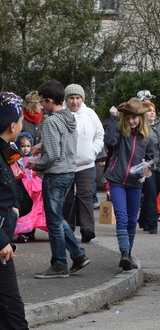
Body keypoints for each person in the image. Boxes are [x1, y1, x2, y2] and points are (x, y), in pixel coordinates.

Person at [32, 80, 89, 279]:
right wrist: (43, 146)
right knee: (57, 217)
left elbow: (53, 155)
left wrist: (36, 165)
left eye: (42, 101)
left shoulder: (50, 122)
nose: (41, 105)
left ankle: (59, 264)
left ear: (49, 101)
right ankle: (78, 255)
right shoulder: (69, 117)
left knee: (54, 221)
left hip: (55, 175)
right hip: (68, 173)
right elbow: (63, 144)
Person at [104, 98, 157, 270]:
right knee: (122, 216)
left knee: (132, 220)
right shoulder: (120, 132)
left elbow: (151, 159)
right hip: (117, 179)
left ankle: (128, 253)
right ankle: (125, 253)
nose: (132, 121)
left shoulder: (147, 138)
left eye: (134, 118)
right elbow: (109, 142)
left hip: (136, 182)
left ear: (140, 118)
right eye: (128, 118)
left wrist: (148, 168)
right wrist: (113, 119)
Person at [0, 92, 29, 327]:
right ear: (12, 126)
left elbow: (16, 187)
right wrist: (1, 241)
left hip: (5, 239)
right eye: (20, 121)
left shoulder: (7, 151)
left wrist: (16, 208)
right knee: (13, 312)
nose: (22, 126)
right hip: (1, 246)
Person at [62, 84, 104, 244]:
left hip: (86, 163)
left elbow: (100, 134)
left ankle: (87, 229)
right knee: (67, 198)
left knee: (85, 195)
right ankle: (68, 227)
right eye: (71, 98)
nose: (75, 101)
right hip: (65, 164)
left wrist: (93, 151)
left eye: (77, 98)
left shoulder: (90, 114)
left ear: (82, 99)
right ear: (66, 99)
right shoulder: (62, 115)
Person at [140, 102, 160, 234]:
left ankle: (143, 220)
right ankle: (153, 225)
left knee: (153, 193)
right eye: (149, 111)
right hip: (149, 166)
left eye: (153, 110)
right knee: (151, 194)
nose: (152, 113)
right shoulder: (142, 127)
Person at [13, 132, 46, 244]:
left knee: (36, 208)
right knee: (24, 209)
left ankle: (30, 231)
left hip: (34, 186)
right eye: (23, 146)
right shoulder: (16, 159)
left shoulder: (35, 158)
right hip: (21, 186)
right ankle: (23, 231)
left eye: (28, 146)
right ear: (18, 146)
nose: (26, 149)